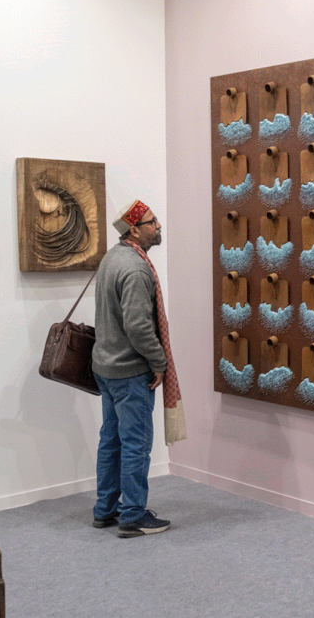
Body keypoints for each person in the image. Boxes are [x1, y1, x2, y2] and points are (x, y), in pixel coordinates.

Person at [91, 199, 185, 538]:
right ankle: (132, 516)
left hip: (106, 366)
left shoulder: (112, 258)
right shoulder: (135, 269)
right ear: (134, 230)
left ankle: (105, 510)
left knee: (111, 441)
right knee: (135, 444)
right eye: (152, 221)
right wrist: (159, 361)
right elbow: (138, 327)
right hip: (130, 372)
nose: (158, 226)